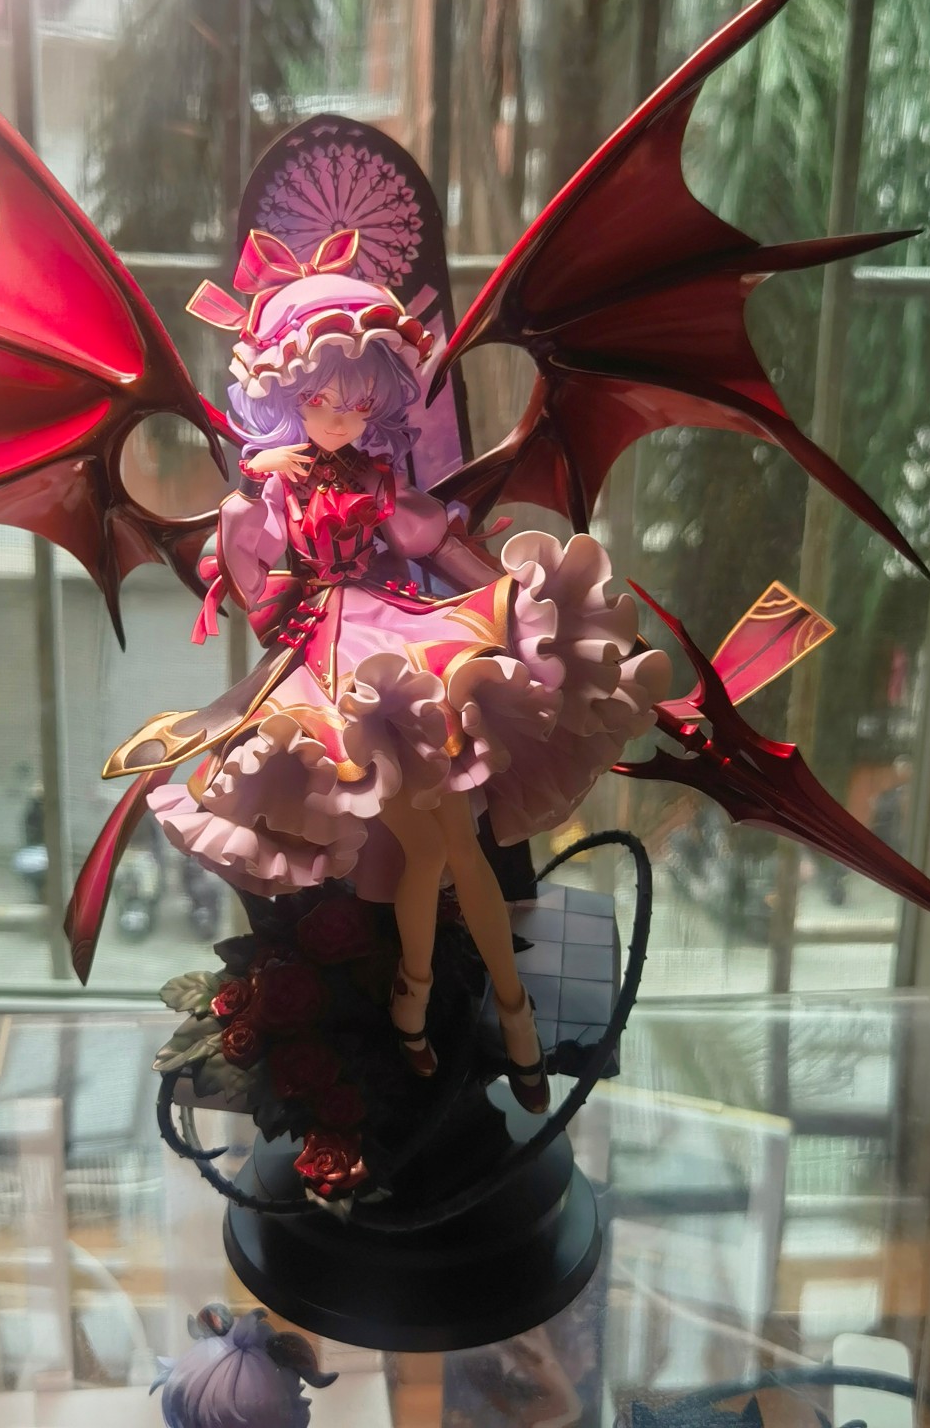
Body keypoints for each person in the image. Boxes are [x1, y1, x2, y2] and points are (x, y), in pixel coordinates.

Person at [105, 234, 670, 1113]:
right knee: (439, 845)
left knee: (443, 846)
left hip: (402, 634)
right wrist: (251, 492)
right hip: (335, 666)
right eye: (322, 399)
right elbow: (251, 589)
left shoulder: (375, 479)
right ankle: (477, 1015)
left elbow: (439, 546)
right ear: (284, 395)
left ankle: (443, 1006)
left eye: (360, 400)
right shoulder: (274, 493)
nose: (341, 417)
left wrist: (521, 602)